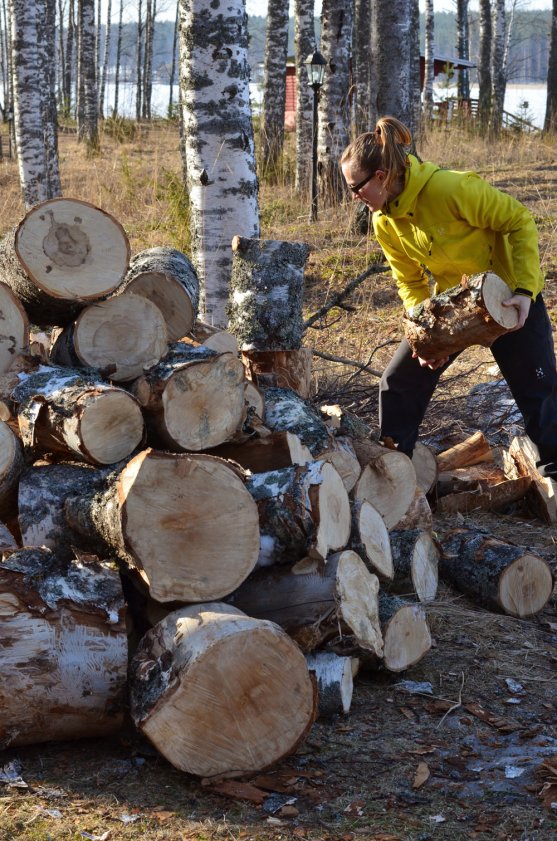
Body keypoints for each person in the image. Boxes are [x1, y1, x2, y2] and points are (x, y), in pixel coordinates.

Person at [340, 115, 557, 477]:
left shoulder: (450, 189)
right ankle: (393, 473)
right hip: (455, 304)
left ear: (380, 177)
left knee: (540, 393)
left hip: (508, 299)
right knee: (399, 381)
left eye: (355, 187)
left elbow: (519, 221)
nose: (354, 197)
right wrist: (424, 335)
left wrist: (523, 292)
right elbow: (409, 281)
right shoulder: (384, 221)